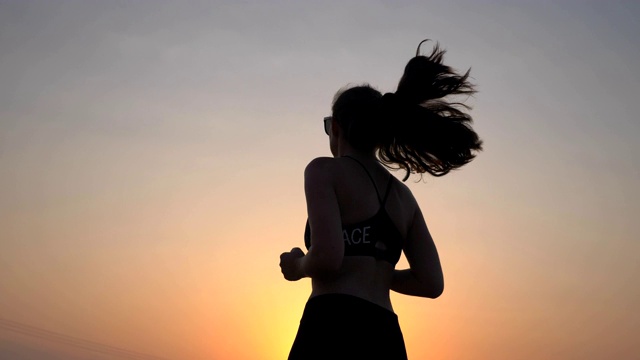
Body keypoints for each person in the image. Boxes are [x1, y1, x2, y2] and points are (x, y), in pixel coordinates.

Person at [279, 39, 483, 360]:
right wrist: (379, 274)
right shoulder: (404, 198)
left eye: (329, 126)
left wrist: (296, 266)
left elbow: (328, 258)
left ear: (339, 128)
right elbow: (430, 283)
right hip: (385, 334)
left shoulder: (324, 171)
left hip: (331, 325)